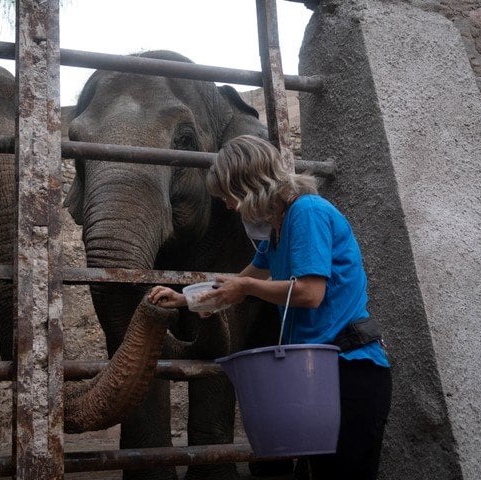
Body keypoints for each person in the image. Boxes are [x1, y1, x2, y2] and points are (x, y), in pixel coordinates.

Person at [147, 135, 392, 480]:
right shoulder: (275, 232)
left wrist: (246, 286)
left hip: (352, 369)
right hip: (316, 371)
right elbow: (235, 289)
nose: (229, 207)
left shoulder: (307, 212)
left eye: (229, 196)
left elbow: (309, 293)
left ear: (250, 184)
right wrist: (184, 300)